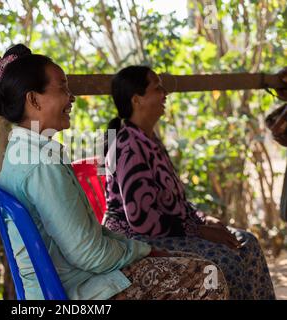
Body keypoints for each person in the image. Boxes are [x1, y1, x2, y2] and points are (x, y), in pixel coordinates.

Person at [0, 44, 228, 300]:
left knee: (193, 265)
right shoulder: (40, 164)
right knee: (208, 277)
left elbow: (89, 238)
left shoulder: (23, 152)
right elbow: (90, 254)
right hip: (76, 292)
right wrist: (144, 251)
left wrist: (143, 250)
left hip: (67, 282)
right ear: (33, 99)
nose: (72, 97)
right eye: (63, 88)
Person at [103, 65, 275, 300]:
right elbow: (143, 221)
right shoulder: (129, 145)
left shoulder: (148, 139)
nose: (165, 94)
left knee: (247, 244)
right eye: (157, 88)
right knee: (226, 262)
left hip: (167, 231)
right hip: (139, 240)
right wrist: (198, 230)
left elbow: (173, 201)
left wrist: (203, 219)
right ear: (137, 99)